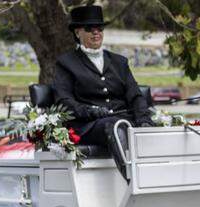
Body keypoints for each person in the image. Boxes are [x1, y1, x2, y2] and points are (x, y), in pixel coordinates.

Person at [52, 4, 155, 181]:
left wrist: (144, 120)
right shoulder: (66, 63)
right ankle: (133, 179)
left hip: (122, 119)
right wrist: (90, 110)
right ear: (78, 32)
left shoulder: (119, 62)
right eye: (89, 28)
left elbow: (135, 94)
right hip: (89, 125)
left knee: (143, 127)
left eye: (99, 28)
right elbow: (64, 100)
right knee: (113, 125)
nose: (96, 32)